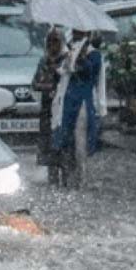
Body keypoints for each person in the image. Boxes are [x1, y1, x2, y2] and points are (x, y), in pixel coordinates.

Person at [52, 29, 101, 188]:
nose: (75, 33)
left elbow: (91, 74)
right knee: (65, 137)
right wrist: (66, 58)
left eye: (79, 32)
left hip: (82, 101)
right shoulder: (67, 50)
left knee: (81, 139)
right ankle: (68, 176)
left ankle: (82, 176)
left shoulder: (93, 54)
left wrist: (79, 59)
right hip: (67, 100)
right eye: (74, 31)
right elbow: (59, 71)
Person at [32, 28, 68, 185]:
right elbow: (35, 83)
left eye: (56, 41)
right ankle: (52, 180)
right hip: (47, 108)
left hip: (63, 108)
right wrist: (49, 86)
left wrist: (57, 78)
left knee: (64, 143)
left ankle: (66, 178)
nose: (53, 45)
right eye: (50, 41)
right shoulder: (44, 61)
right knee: (48, 143)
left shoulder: (67, 60)